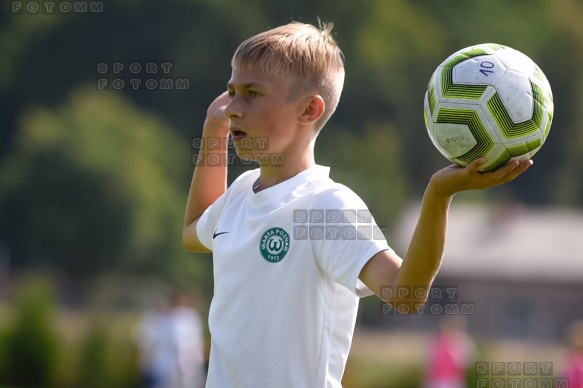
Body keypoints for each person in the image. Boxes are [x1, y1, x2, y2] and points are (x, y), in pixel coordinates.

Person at [182, 21, 532, 387]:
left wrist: (438, 195)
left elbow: (404, 293)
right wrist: (213, 128)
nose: (233, 108)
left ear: (309, 110)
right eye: (230, 91)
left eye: (252, 93)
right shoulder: (238, 193)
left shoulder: (327, 206)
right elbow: (194, 232)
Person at [424, 317, 476, 388]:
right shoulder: (435, 342)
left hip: (454, 381)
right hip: (437, 381)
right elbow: (429, 363)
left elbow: (465, 363)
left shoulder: (463, 342)